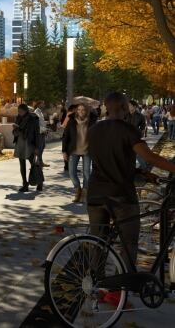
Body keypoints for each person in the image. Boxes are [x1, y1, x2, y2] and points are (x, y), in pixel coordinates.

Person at [87, 92, 175, 270]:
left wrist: (140, 172)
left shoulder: (93, 130)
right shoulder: (128, 129)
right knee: (128, 243)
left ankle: (96, 282)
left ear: (106, 107)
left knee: (98, 241)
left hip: (95, 193)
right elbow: (150, 157)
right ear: (124, 107)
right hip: (121, 195)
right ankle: (123, 286)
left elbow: (108, 161)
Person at [62, 104, 97, 203]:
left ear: (86, 111)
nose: (81, 111)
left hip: (87, 151)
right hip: (73, 151)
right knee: (72, 172)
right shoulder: (72, 121)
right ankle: (78, 190)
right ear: (76, 111)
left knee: (86, 173)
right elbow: (66, 136)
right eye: (79, 110)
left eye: (83, 110)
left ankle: (85, 193)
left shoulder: (92, 121)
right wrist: (64, 151)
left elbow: (97, 136)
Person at [13, 103, 40, 192]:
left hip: (29, 143)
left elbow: (36, 133)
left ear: (25, 110)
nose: (19, 113)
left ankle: (39, 182)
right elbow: (15, 130)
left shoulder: (33, 118)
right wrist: (15, 130)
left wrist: (37, 147)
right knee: (22, 164)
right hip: (20, 142)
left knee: (33, 164)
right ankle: (25, 184)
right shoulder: (18, 117)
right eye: (18, 111)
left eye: (21, 111)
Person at [33, 101, 49, 167]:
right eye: (42, 103)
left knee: (42, 147)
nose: (44, 104)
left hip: (42, 131)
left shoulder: (40, 112)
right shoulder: (36, 112)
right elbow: (36, 124)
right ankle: (38, 162)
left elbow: (41, 122)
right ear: (39, 104)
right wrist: (43, 129)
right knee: (39, 147)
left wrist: (46, 123)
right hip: (39, 132)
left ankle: (38, 161)